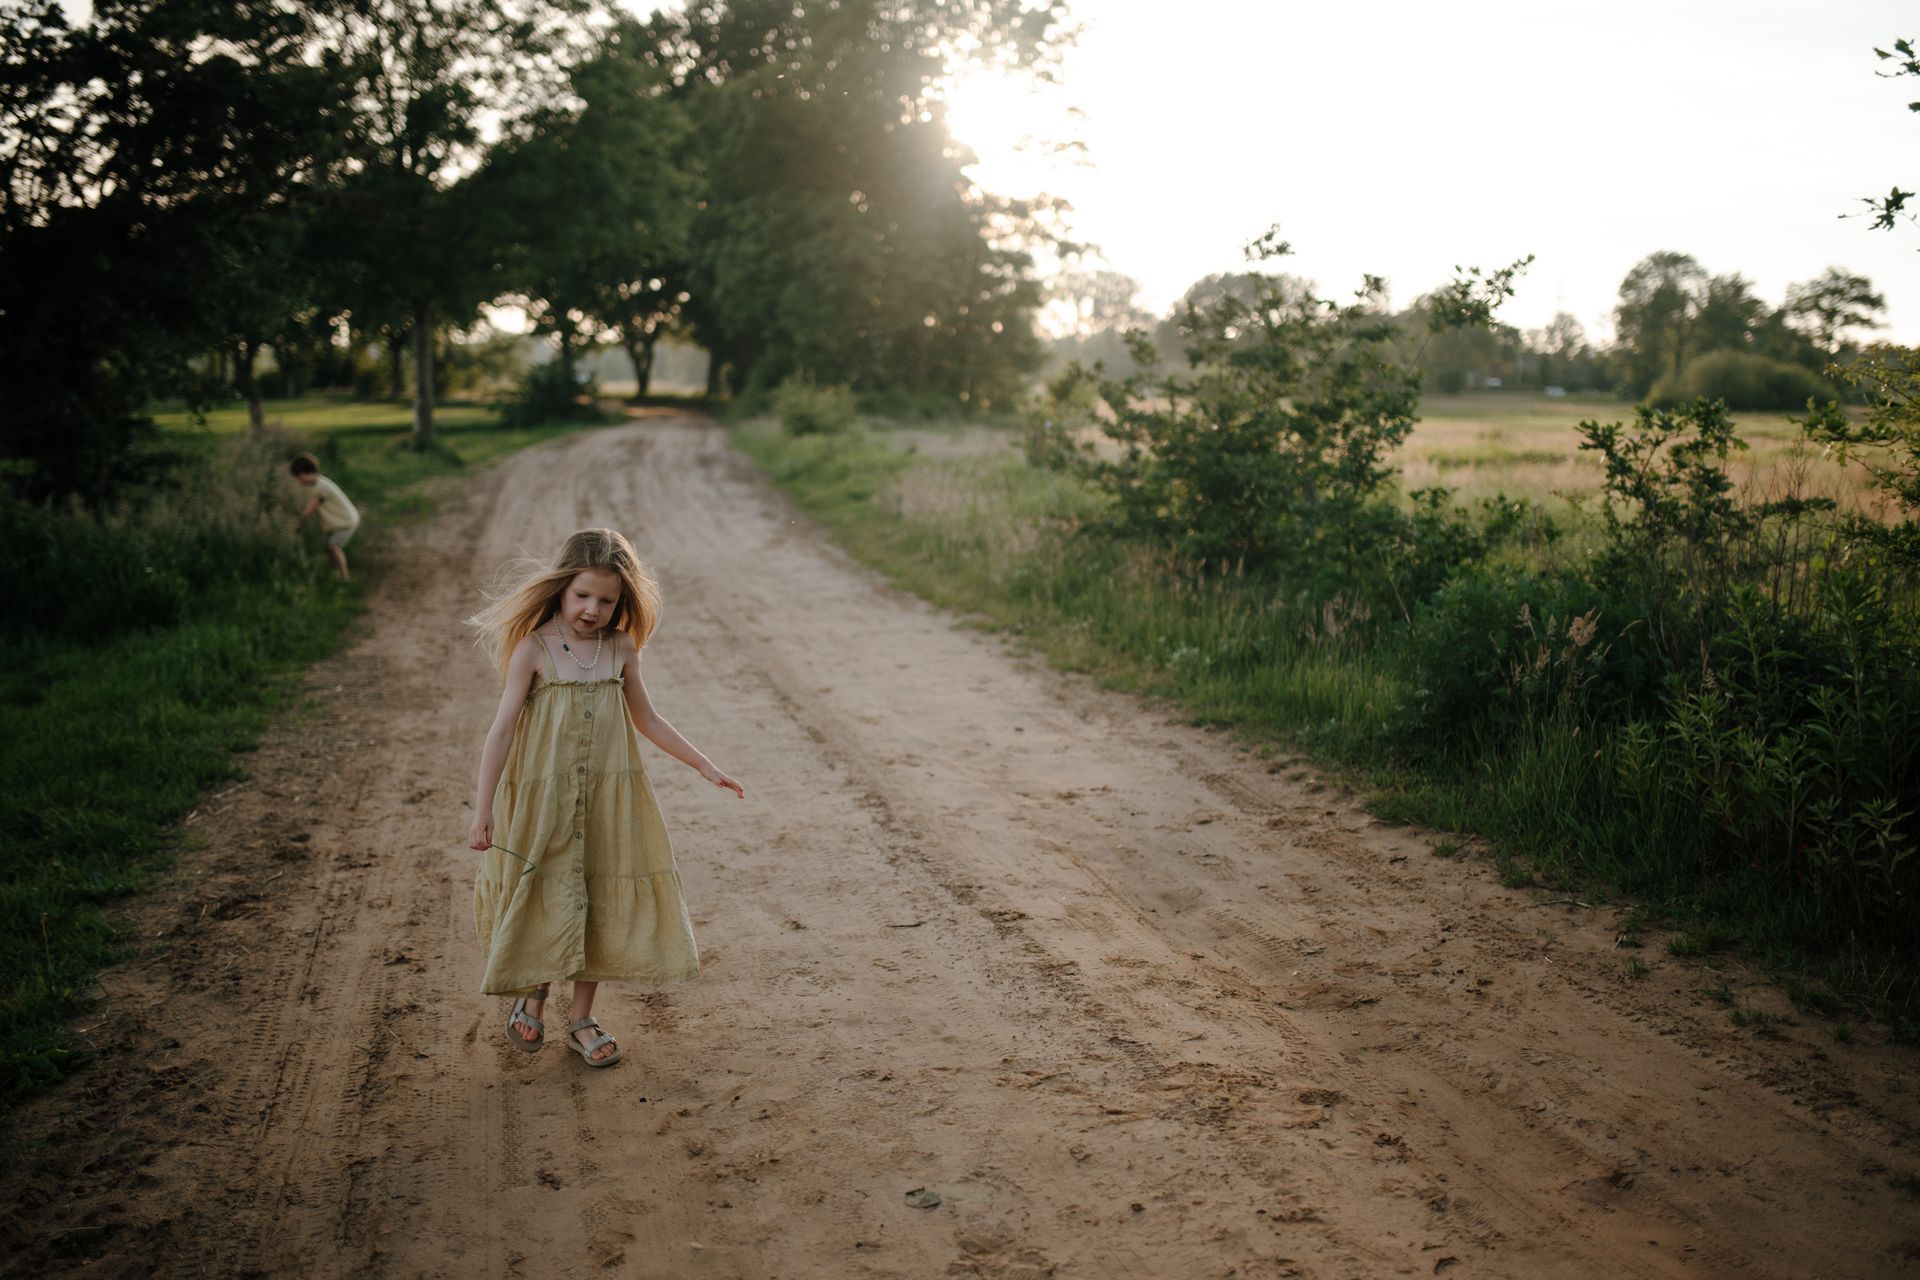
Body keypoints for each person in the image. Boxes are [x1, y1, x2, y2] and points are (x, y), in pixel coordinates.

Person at [466, 528, 743, 1067]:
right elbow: (500, 732)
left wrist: (704, 764)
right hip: (544, 800)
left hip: (607, 800)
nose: (593, 609)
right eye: (582, 596)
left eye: (607, 600)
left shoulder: (620, 648)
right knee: (543, 886)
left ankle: (581, 1019)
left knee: (597, 892)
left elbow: (648, 719)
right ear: (561, 589)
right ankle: (534, 991)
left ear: (622, 602)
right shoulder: (535, 648)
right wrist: (483, 811)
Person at [289, 453, 360, 580]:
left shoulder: (321, 487)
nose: (298, 481)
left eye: (299, 477)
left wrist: (300, 522)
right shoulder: (317, 483)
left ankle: (344, 577)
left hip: (346, 522)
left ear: (305, 473)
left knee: (333, 547)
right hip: (341, 521)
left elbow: (312, 506)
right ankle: (336, 574)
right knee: (329, 548)